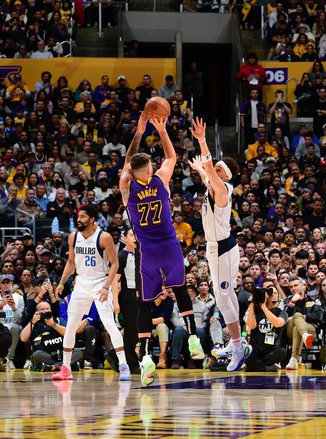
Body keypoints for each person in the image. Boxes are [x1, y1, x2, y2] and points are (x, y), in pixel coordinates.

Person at [120, 113, 204, 386]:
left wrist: (139, 132)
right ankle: (192, 338)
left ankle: (145, 359)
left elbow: (126, 164)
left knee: (145, 303)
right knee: (180, 289)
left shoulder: (127, 186)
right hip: (169, 245)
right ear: (148, 169)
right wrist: (162, 131)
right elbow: (171, 158)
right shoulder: (160, 180)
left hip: (147, 251)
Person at [187, 117, 247, 372]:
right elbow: (206, 173)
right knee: (228, 295)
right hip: (218, 248)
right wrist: (201, 169)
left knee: (222, 300)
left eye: (219, 170)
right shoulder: (213, 187)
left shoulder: (222, 189)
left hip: (222, 248)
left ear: (225, 176)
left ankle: (236, 346)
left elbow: (210, 168)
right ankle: (239, 340)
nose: (215, 172)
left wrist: (202, 141)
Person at [52, 204, 129, 381]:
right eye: (79, 217)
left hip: (100, 283)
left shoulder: (104, 237)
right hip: (81, 284)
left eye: (83, 217)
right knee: (71, 325)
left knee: (109, 323)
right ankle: (66, 368)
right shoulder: (73, 237)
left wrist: (106, 287)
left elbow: (115, 264)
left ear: (92, 219)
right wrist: (62, 282)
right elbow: (71, 262)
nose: (79, 219)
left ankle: (123, 365)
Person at [112, 229, 140, 373]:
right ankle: (131, 363)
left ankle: (114, 355)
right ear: (124, 238)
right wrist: (116, 302)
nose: (135, 238)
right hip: (127, 296)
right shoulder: (122, 255)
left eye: (136, 235)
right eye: (131, 235)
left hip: (138, 295)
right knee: (130, 331)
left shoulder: (139, 254)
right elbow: (114, 280)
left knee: (136, 330)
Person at [244, 286, 287, 372]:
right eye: (269, 293)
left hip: (270, 349)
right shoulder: (256, 310)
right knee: (244, 353)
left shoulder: (281, 312)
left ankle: (253, 367)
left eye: (275, 293)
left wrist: (264, 307)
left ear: (278, 297)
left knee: (282, 352)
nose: (272, 295)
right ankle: (266, 368)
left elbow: (278, 323)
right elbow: (251, 326)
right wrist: (252, 304)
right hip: (255, 348)